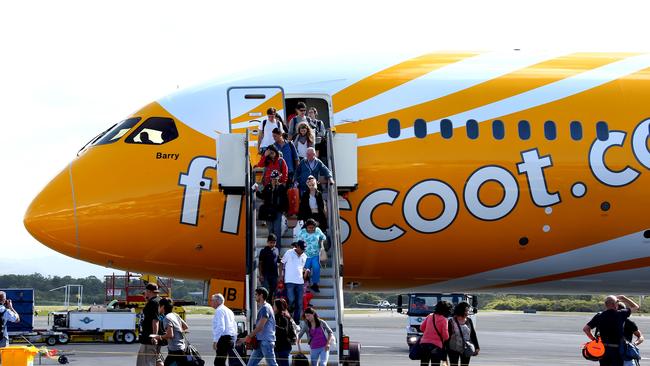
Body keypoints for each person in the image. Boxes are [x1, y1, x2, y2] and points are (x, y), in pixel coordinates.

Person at [583, 295, 640, 366]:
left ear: (606, 304)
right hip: (617, 350)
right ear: (614, 304)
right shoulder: (621, 314)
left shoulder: (599, 316)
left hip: (603, 349)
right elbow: (636, 307)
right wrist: (624, 298)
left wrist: (594, 339)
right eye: (617, 302)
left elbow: (586, 329)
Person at [244, 288, 278, 366]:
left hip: (266, 341)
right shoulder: (266, 307)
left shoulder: (265, 308)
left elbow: (260, 327)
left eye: (256, 294)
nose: (254, 296)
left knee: (272, 364)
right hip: (262, 341)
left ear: (261, 295)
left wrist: (248, 336)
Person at [257, 170, 288, 249]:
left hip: (278, 211)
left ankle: (277, 250)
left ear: (278, 179)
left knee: (277, 231)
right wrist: (256, 191)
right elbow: (262, 196)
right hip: (268, 211)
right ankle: (271, 249)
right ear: (271, 178)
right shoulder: (267, 187)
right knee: (270, 230)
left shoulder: (281, 187)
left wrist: (285, 211)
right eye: (273, 178)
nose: (274, 180)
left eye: (276, 179)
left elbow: (285, 200)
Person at [154, 298, 189, 366]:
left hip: (175, 351)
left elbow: (170, 335)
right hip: (182, 347)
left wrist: (158, 337)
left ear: (163, 307)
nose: (158, 308)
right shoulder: (175, 315)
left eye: (159, 306)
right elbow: (185, 327)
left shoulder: (166, 318)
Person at [280, 240, 307, 323]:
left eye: (304, 249)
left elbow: (303, 268)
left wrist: (306, 274)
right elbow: (281, 263)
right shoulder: (289, 252)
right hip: (289, 280)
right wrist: (280, 275)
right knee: (291, 300)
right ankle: (288, 316)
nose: (303, 250)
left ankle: (296, 321)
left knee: (299, 303)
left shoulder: (304, 256)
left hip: (300, 282)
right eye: (302, 248)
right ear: (297, 247)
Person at [137, 284, 164, 366]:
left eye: (146, 291)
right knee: (156, 358)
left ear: (149, 291)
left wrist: (154, 336)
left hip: (150, 336)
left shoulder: (153, 303)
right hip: (159, 335)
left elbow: (155, 320)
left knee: (146, 361)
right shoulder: (160, 300)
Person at [297, 218, 327, 293]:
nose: (311, 229)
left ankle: (315, 284)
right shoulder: (302, 232)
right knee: (305, 270)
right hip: (305, 255)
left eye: (313, 227)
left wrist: (321, 243)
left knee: (316, 268)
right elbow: (297, 242)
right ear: (306, 227)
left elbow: (324, 237)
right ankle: (305, 285)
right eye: (309, 227)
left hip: (315, 255)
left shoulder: (317, 230)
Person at [419, 300, 452, 366]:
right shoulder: (444, 320)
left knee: (424, 363)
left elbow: (421, 328)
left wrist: (429, 332)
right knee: (435, 364)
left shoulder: (430, 316)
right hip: (436, 346)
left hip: (424, 344)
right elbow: (445, 336)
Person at [210, 293, 238, 366]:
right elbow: (234, 325)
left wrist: (215, 341)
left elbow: (221, 327)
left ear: (217, 301)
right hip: (231, 338)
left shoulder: (219, 310)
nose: (211, 302)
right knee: (223, 361)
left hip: (224, 339)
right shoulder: (228, 310)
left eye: (212, 300)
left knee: (219, 362)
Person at [273, 298, 297, 366]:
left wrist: (273, 326)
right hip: (279, 346)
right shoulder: (279, 316)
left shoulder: (283, 317)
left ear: (278, 306)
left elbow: (284, 331)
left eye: (274, 305)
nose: (273, 307)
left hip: (283, 346)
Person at [259, 234, 281, 298]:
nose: (272, 244)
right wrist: (260, 274)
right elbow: (260, 263)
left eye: (274, 242)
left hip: (274, 274)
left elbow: (278, 260)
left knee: (273, 291)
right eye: (271, 242)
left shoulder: (276, 250)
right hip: (265, 274)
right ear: (267, 242)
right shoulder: (263, 251)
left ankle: (271, 304)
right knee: (265, 290)